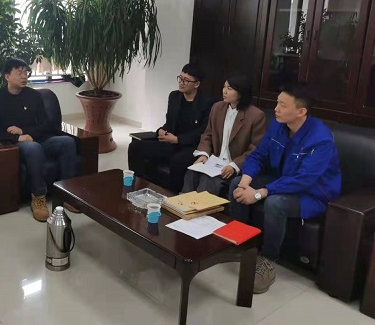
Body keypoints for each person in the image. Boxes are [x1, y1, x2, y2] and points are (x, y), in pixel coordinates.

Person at [229, 83, 341, 294]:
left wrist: (260, 192)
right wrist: (245, 181)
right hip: (282, 181)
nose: (276, 109)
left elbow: (304, 179)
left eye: (282, 105)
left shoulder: (321, 139)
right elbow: (259, 155)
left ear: (301, 111)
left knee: (275, 203)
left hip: (311, 194)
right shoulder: (278, 125)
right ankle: (240, 241)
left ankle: (269, 260)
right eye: (277, 102)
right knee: (237, 183)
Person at [0, 58, 77, 222]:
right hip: (16, 144)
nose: (24, 76)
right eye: (19, 73)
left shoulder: (34, 96)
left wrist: (25, 131)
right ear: (7, 76)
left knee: (67, 142)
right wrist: (17, 137)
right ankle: (38, 197)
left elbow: (47, 124)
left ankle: (67, 193)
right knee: (32, 147)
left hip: (40, 139)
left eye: (26, 73)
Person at [128, 63, 215, 193]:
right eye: (180, 78)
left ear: (196, 84)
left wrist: (178, 139)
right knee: (135, 147)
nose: (181, 83)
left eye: (186, 80)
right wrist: (160, 131)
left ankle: (172, 195)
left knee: (178, 160)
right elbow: (169, 122)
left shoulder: (207, 102)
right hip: (171, 142)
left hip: (191, 146)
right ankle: (139, 185)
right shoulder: (174, 96)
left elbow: (203, 131)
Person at [181, 74, 266, 196]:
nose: (224, 91)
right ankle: (181, 205)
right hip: (215, 161)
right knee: (192, 173)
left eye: (229, 88)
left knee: (208, 180)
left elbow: (255, 149)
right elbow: (208, 134)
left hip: (234, 164)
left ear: (241, 92)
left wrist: (234, 165)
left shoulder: (256, 115)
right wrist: (204, 154)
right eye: (224, 87)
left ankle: (200, 208)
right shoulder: (217, 107)